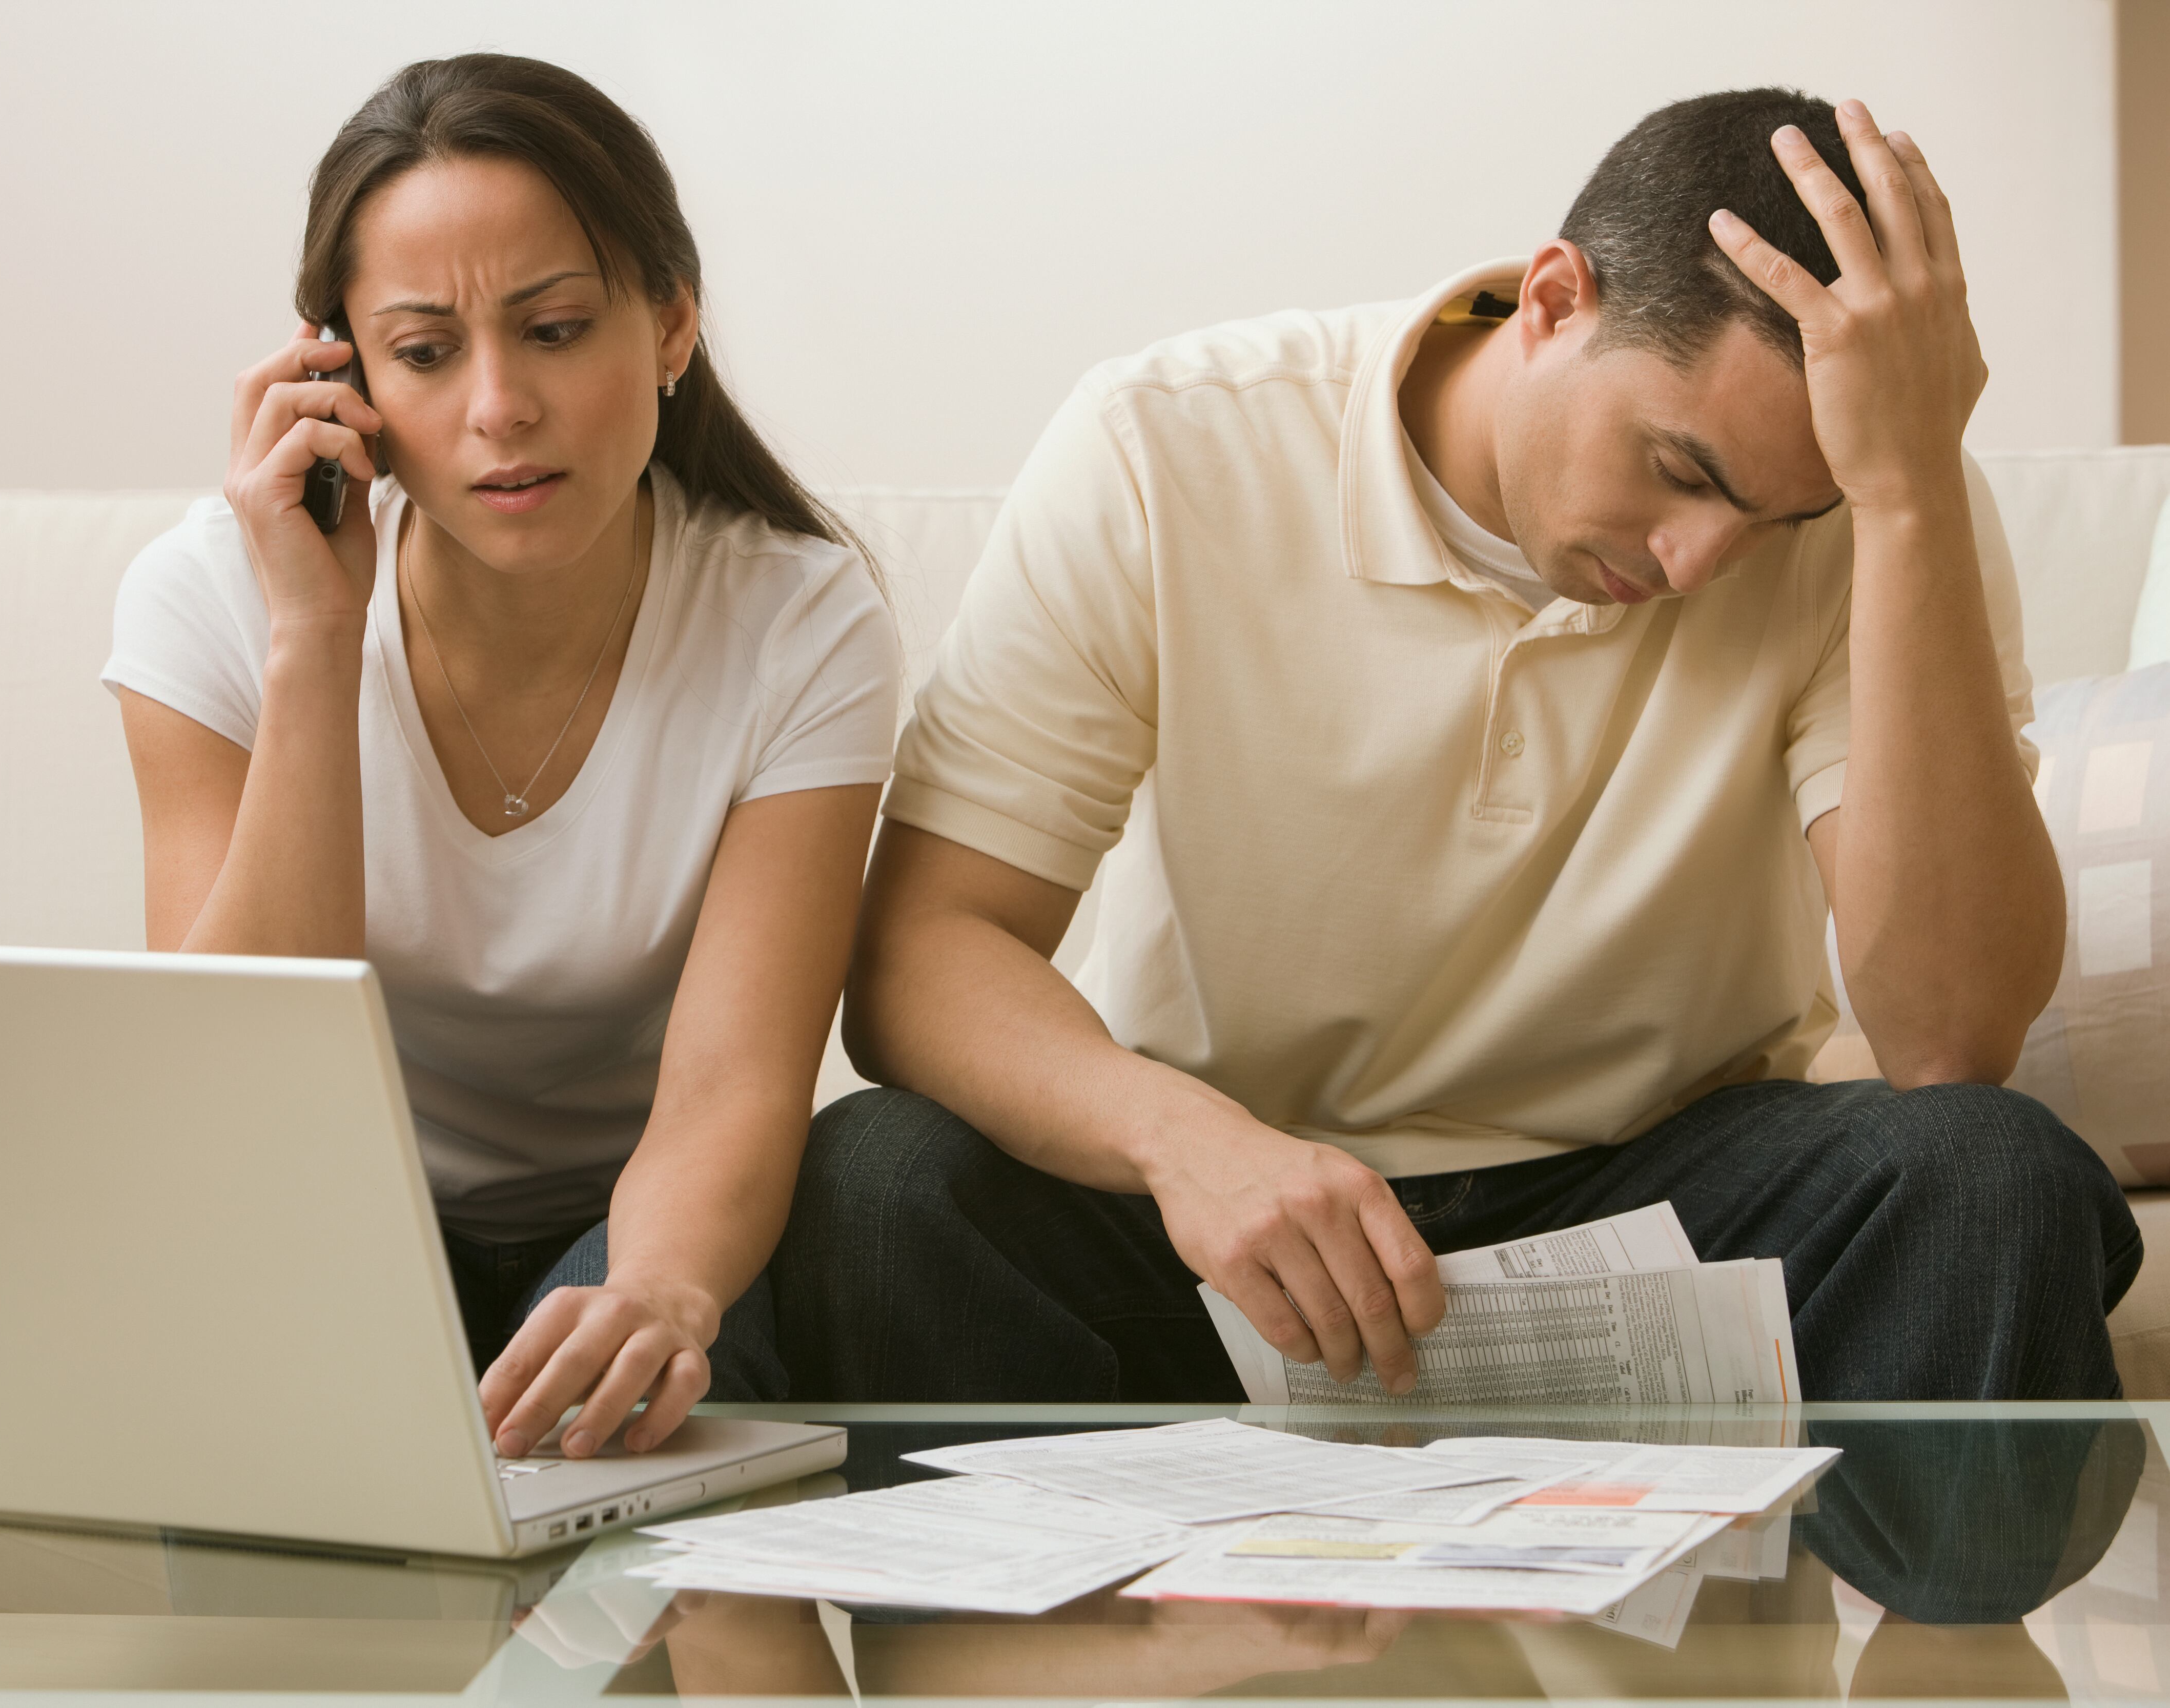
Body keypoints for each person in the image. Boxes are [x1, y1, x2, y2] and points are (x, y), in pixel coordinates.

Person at [777, 88, 2139, 1403]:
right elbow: (922, 953)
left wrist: (1901, 498)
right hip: (1236, 1208)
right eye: (1681, 473)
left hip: (1660, 1193)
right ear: (1550, 303)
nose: (1698, 563)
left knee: (1985, 1172)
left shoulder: (1883, 511)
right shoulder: (1169, 446)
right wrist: (1192, 1148)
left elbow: (1951, 1037)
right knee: (879, 1179)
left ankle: (1949, 1656)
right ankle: (1057, 1631)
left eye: (1779, 520)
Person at [102, 53, 898, 1457]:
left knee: (661, 1379)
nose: (497, 409)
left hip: (631, 1222)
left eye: (556, 329)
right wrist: (312, 636)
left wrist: (655, 1292)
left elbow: (736, 1084)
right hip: (324, 1224)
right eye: (423, 352)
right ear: (336, 372)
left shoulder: (798, 620)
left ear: (669, 328)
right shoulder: (208, 599)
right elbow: (232, 1092)